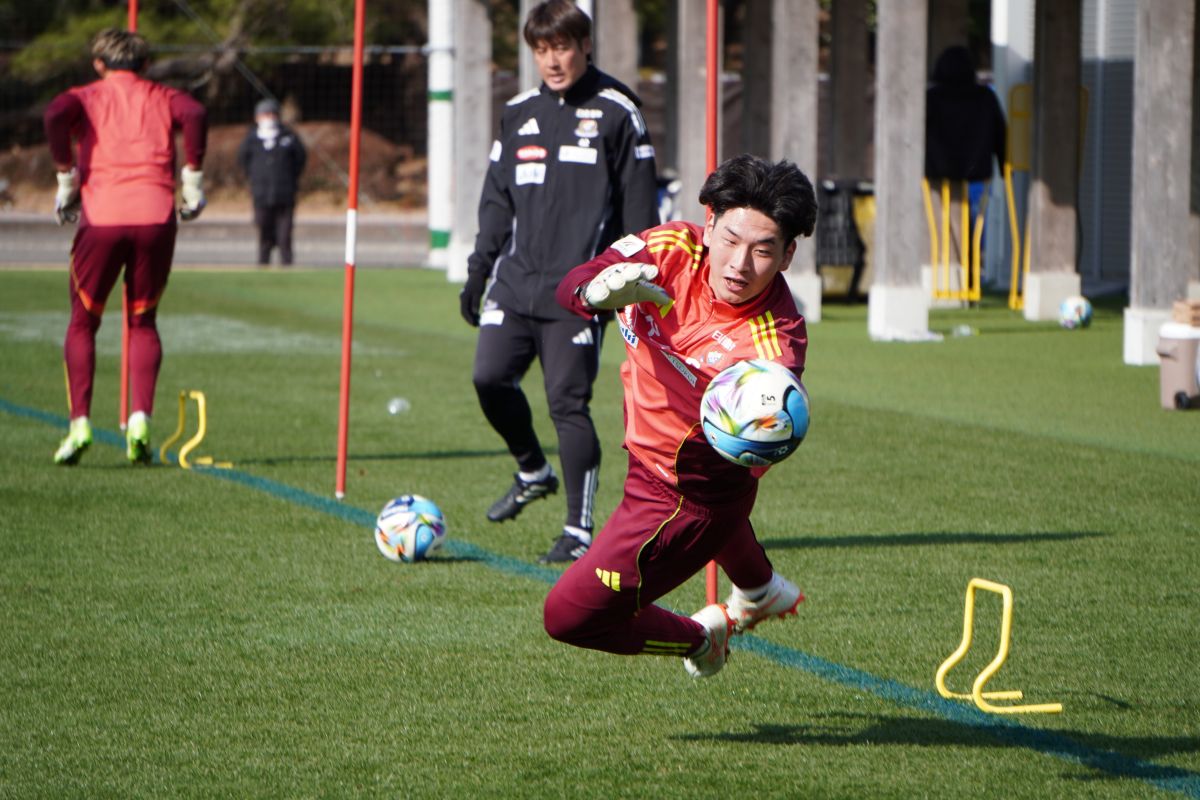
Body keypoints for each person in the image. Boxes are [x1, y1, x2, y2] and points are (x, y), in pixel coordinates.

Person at [543, 154, 817, 678]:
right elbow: (571, 285)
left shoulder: (771, 347)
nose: (739, 264)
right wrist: (594, 290)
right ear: (708, 223)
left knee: (568, 617)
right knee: (728, 519)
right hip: (649, 455)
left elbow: (751, 443)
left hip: (679, 497)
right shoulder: (671, 247)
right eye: (732, 239)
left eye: (763, 251)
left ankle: (700, 640)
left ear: (787, 256)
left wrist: (754, 423)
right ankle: (759, 588)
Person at [459, 0, 659, 563]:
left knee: (567, 404)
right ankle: (532, 469)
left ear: (585, 45)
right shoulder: (518, 112)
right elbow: (496, 199)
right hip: (515, 283)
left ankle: (578, 530)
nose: (552, 60)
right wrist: (479, 269)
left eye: (562, 47)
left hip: (578, 291)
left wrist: (628, 287)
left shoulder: (620, 112)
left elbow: (640, 216)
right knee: (488, 378)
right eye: (542, 50)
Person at [44, 27, 208, 466]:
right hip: (155, 217)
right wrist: (192, 180)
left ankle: (80, 424)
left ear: (99, 64)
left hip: (103, 219)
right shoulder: (162, 94)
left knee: (83, 323)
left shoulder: (87, 96)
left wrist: (66, 176)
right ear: (147, 64)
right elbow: (194, 113)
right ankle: (140, 419)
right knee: (143, 321)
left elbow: (55, 114)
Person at [924, 45, 1007, 279]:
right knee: (970, 217)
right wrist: (1003, 165)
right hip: (976, 168)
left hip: (936, 169)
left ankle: (946, 275)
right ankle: (968, 274)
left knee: (939, 218)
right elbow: (1001, 131)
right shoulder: (985, 96)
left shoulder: (932, 98)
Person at [237, 98, 307, 266]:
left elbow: (300, 158)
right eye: (265, 114)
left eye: (272, 114)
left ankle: (286, 264)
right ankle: (263, 263)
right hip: (261, 193)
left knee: (285, 234)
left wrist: (291, 179)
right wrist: (254, 178)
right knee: (264, 230)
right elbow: (243, 160)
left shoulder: (288, 137)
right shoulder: (251, 139)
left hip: (285, 193)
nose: (269, 118)